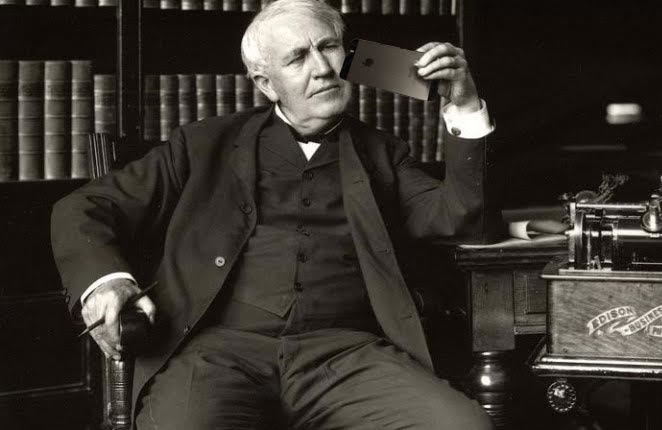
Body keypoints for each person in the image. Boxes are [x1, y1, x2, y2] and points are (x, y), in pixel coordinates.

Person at [51, 0, 495, 428]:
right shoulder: (204, 144)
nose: (322, 69)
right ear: (266, 83)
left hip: (347, 356)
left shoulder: (383, 152)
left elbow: (460, 219)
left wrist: (464, 103)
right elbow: (84, 206)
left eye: (329, 47)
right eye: (298, 58)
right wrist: (106, 281)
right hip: (217, 356)